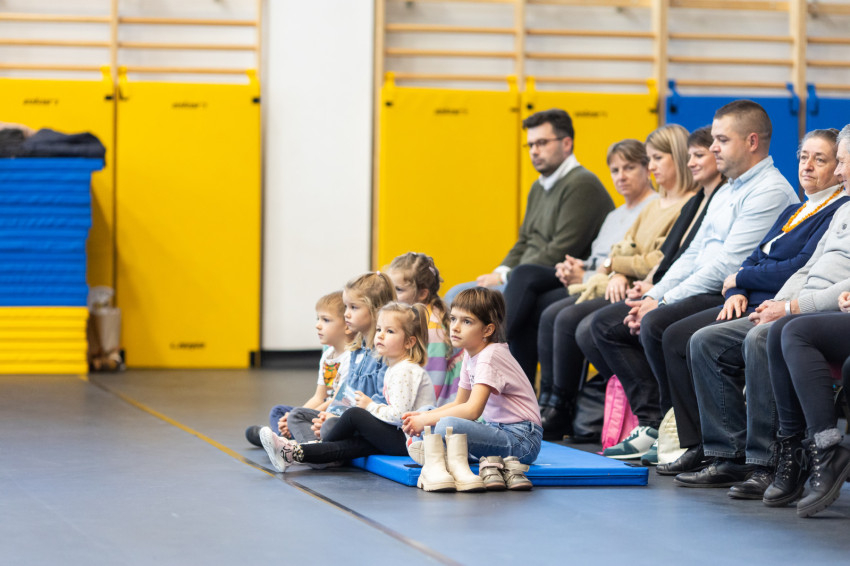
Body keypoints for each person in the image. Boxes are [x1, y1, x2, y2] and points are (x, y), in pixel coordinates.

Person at [583, 99, 798, 461]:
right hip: (712, 285)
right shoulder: (727, 190)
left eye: (721, 140)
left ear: (751, 142)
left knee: (663, 328)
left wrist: (663, 302)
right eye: (713, 140)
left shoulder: (770, 191)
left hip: (738, 292)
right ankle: (665, 426)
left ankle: (693, 440)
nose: (713, 148)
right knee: (610, 324)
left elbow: (726, 265)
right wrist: (654, 295)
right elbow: (693, 254)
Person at [658, 128, 848, 477]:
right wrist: (736, 290)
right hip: (765, 302)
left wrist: (759, 291)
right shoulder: (794, 209)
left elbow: (788, 267)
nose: (807, 166)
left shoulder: (835, 207)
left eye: (820, 159)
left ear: (839, 168)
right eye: (803, 157)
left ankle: (765, 460)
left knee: (755, 338)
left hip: (794, 305)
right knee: (700, 340)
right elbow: (763, 261)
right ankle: (723, 452)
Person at [507, 126, 698, 440]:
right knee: (547, 308)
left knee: (570, 317)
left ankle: (565, 405)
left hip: (643, 286)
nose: (651, 167)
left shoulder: (687, 205)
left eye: (655, 159)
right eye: (648, 159)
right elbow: (621, 251)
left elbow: (657, 259)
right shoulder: (653, 206)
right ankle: (549, 401)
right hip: (618, 281)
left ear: (677, 158)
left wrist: (615, 268)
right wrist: (615, 269)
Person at [503, 138, 659, 386]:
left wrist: (585, 274)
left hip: (613, 284)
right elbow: (597, 258)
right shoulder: (614, 215)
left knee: (530, 281)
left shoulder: (653, 208)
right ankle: (526, 392)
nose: (621, 176)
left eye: (629, 168)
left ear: (647, 168)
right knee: (530, 295)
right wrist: (577, 267)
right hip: (590, 277)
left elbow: (631, 262)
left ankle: (544, 389)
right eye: (615, 170)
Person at [443, 109, 613, 304]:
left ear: (566, 144)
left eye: (542, 143)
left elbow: (560, 251)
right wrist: (500, 271)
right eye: (531, 144)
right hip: (521, 277)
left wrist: (506, 277)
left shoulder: (583, 184)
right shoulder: (538, 186)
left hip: (547, 281)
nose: (534, 151)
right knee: (455, 294)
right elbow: (524, 241)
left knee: (459, 299)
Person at [259, 303, 436, 472]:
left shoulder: (405, 370)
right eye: (379, 329)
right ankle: (294, 453)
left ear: (409, 342)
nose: (380, 336)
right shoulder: (395, 367)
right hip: (400, 437)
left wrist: (370, 406)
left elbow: (399, 416)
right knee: (355, 445)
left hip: (409, 440)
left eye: (390, 331)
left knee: (354, 415)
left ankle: (309, 445)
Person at [402, 288, 543, 470]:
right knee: (424, 411)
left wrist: (426, 421)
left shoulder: (489, 356)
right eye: (453, 319)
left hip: (522, 440)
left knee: (446, 425)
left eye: (467, 321)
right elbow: (460, 402)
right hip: (497, 430)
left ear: (487, 330)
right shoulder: (470, 354)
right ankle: (439, 451)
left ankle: (437, 452)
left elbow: (473, 410)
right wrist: (424, 416)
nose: (455, 327)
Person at [289, 271, 397, 441]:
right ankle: (309, 444)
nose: (346, 313)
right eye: (346, 307)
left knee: (334, 423)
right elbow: (347, 394)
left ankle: (307, 447)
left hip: (367, 420)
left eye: (353, 307)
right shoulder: (357, 350)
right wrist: (331, 414)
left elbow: (380, 401)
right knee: (296, 415)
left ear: (375, 310)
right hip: (345, 416)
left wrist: (335, 418)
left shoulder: (383, 354)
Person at [244, 291, 354, 446]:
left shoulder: (351, 357)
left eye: (326, 320)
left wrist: (295, 417)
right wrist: (291, 417)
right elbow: (319, 397)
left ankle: (282, 441)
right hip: (320, 411)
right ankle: (285, 440)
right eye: (318, 319)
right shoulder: (327, 355)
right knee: (278, 411)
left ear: (347, 326)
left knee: (298, 417)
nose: (318, 325)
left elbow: (336, 402)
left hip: (333, 415)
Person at [386, 252, 463, 405]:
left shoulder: (432, 328)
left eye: (399, 290)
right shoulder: (416, 318)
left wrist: (423, 411)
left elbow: (434, 378)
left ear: (422, 294)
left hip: (441, 403)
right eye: (391, 289)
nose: (392, 296)